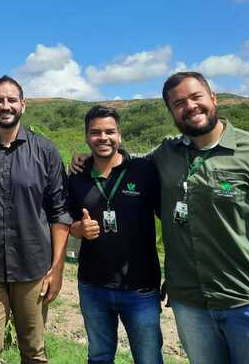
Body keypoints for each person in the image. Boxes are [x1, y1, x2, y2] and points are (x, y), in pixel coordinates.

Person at [72, 71, 249, 364]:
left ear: (213, 98)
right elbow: (124, 162)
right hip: (190, 305)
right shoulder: (166, 154)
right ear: (171, 112)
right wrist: (88, 158)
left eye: (196, 97)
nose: (189, 106)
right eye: (178, 103)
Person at [0, 75, 72, 364]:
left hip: (33, 267)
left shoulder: (45, 151)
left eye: (11, 100)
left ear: (23, 105)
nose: (5, 105)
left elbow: (59, 212)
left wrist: (57, 269)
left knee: (34, 352)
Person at [67, 105, 162, 364]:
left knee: (149, 358)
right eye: (95, 132)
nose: (103, 138)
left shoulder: (144, 170)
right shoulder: (76, 176)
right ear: (87, 136)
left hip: (141, 288)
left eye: (110, 131)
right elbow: (65, 223)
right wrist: (78, 229)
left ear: (120, 134)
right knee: (98, 357)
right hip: (93, 286)